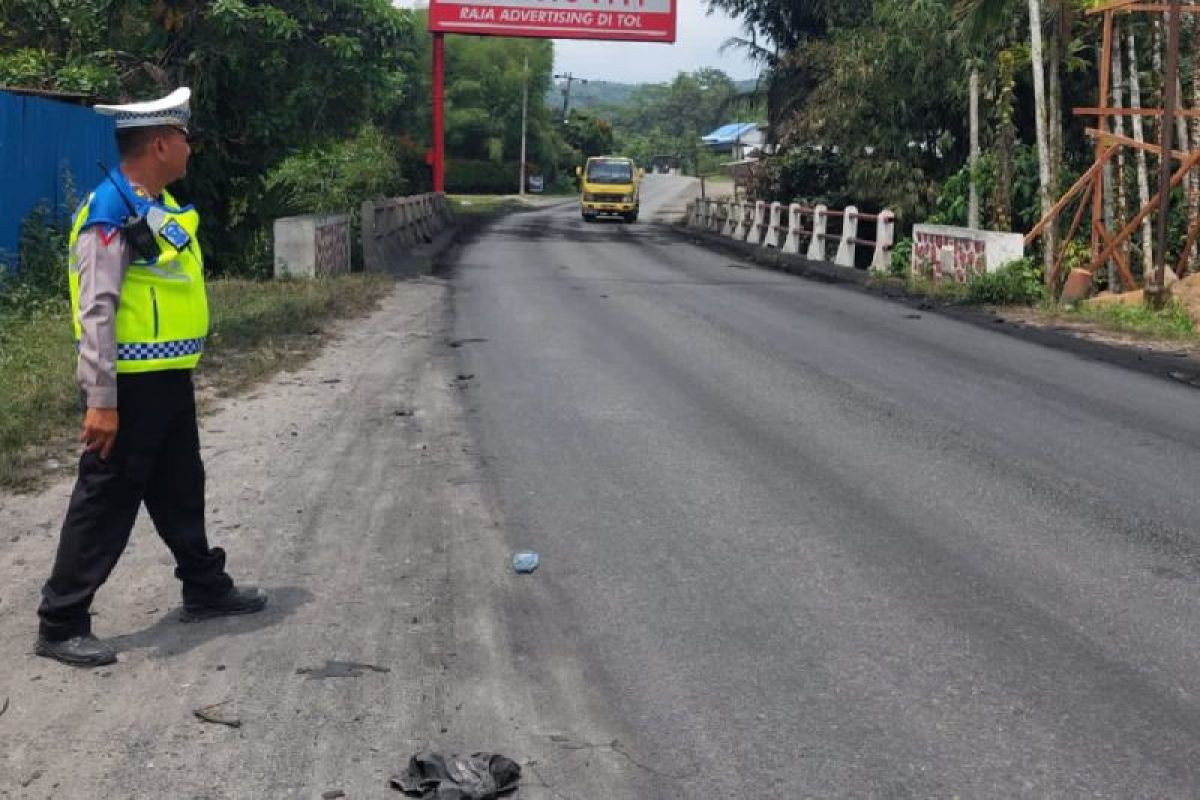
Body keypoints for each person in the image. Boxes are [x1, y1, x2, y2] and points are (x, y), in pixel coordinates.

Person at [35, 87, 267, 668]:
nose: (190, 148)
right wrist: (101, 399)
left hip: (166, 379)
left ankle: (204, 586)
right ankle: (61, 620)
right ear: (160, 143)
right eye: (184, 138)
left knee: (181, 486)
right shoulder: (109, 212)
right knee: (106, 499)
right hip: (129, 386)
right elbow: (97, 309)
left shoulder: (151, 205)